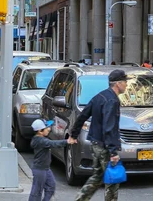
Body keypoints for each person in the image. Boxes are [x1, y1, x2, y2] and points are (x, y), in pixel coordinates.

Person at [71, 69, 128, 201]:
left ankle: (80, 199)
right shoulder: (112, 101)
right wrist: (113, 152)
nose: (126, 85)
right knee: (113, 181)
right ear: (118, 84)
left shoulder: (99, 97)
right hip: (105, 147)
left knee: (97, 177)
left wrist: (74, 134)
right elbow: (109, 127)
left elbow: (82, 116)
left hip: (95, 143)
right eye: (125, 82)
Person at [29, 119, 76, 201]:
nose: (49, 129)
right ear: (40, 131)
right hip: (40, 170)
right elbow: (53, 143)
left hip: (46, 169)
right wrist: (67, 141)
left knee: (51, 186)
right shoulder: (40, 141)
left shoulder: (41, 139)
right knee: (36, 192)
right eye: (47, 127)